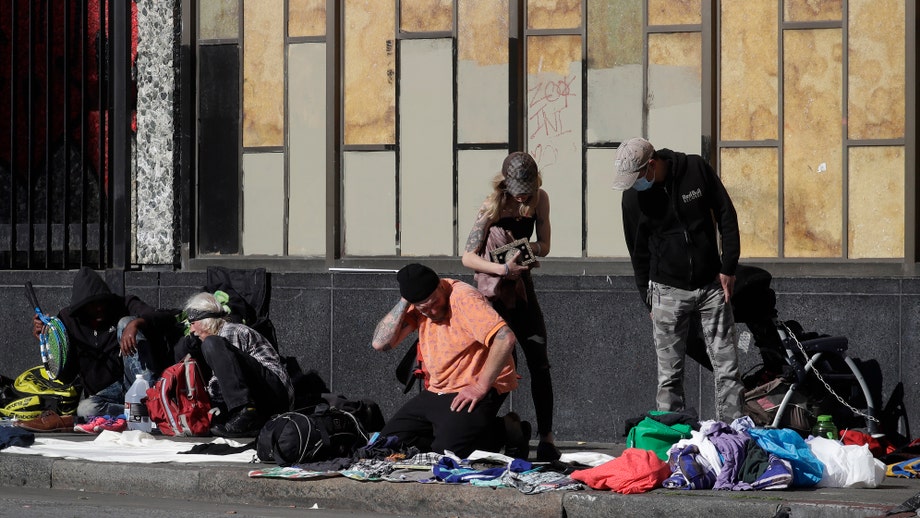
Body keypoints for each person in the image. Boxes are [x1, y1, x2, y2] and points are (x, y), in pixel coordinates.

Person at [612, 137, 744, 423]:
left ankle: (733, 435)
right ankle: (672, 440)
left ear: (652, 164)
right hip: (667, 290)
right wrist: (647, 299)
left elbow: (725, 213)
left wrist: (728, 265)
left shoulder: (694, 168)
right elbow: (637, 251)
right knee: (669, 376)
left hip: (711, 284)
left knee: (727, 368)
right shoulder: (632, 197)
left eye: (637, 177)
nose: (634, 184)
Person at [460, 151, 560, 461]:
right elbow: (466, 256)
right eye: (517, 188)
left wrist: (527, 248)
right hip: (493, 292)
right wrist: (502, 269)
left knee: (538, 359)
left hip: (521, 289)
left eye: (527, 188)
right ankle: (487, 430)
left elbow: (545, 244)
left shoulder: (539, 200)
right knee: (499, 365)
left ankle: (546, 437)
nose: (521, 194)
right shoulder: (492, 205)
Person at [371, 263, 527, 459]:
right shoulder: (417, 302)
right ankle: (460, 430)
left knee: (448, 455)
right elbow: (380, 344)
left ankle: (503, 431)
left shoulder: (463, 298)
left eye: (434, 302)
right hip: (439, 388)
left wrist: (479, 387)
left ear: (440, 286)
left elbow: (505, 338)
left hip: (475, 385)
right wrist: (405, 301)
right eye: (424, 309)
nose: (433, 311)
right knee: (385, 447)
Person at [30, 267, 178, 420]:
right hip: (106, 394)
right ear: (82, 306)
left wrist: (136, 324)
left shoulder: (124, 304)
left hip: (135, 382)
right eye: (92, 305)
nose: (99, 308)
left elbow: (163, 317)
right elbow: (67, 376)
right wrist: (50, 342)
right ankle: (137, 412)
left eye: (102, 302)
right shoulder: (68, 321)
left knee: (126, 321)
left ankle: (151, 402)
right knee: (85, 409)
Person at [177, 292, 293, 437]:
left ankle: (244, 412)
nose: (192, 330)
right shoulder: (220, 337)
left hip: (275, 393)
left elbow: (224, 381)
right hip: (264, 396)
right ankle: (247, 417)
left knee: (211, 343)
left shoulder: (230, 331)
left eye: (193, 323)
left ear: (205, 321)